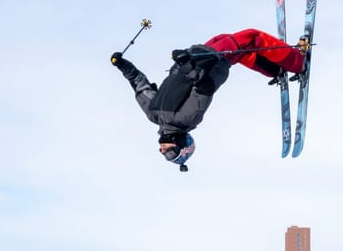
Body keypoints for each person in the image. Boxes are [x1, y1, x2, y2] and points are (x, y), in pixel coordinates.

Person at [111, 28, 308, 171]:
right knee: (252, 38)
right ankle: (298, 62)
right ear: (182, 145)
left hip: (194, 57)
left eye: (165, 155)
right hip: (211, 64)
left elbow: (139, 85)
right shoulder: (186, 120)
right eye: (171, 154)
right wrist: (186, 65)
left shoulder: (153, 115)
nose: (163, 151)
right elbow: (204, 88)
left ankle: (275, 68)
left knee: (231, 43)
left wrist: (122, 65)